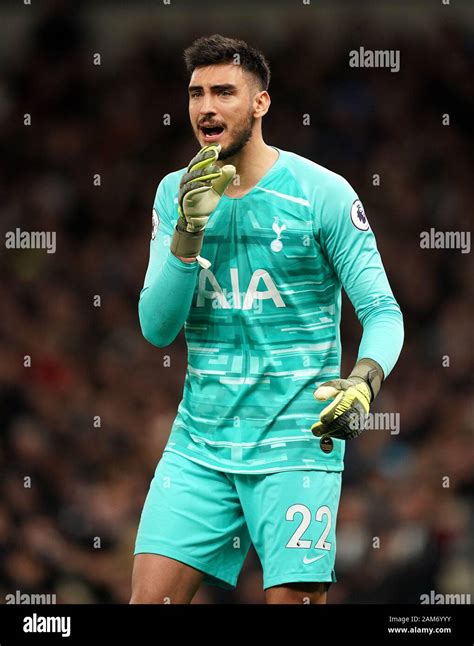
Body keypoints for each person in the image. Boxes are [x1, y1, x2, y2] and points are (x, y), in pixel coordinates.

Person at [130, 34, 404, 604]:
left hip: (295, 448)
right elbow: (157, 328)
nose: (206, 107)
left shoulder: (321, 194)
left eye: (225, 92)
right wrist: (187, 234)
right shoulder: (172, 194)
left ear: (261, 104)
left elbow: (382, 311)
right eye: (196, 93)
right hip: (198, 446)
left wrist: (364, 381)